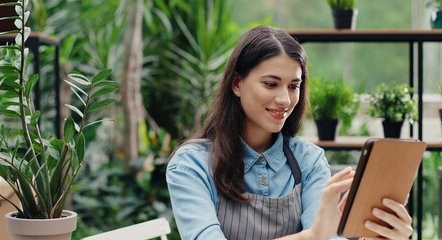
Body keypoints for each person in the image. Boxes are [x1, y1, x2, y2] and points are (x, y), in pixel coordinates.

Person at [166, 25, 413, 240]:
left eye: (294, 86)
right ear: (237, 84)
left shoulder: (309, 160)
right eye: (271, 84)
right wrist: (313, 236)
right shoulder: (192, 165)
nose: (285, 99)